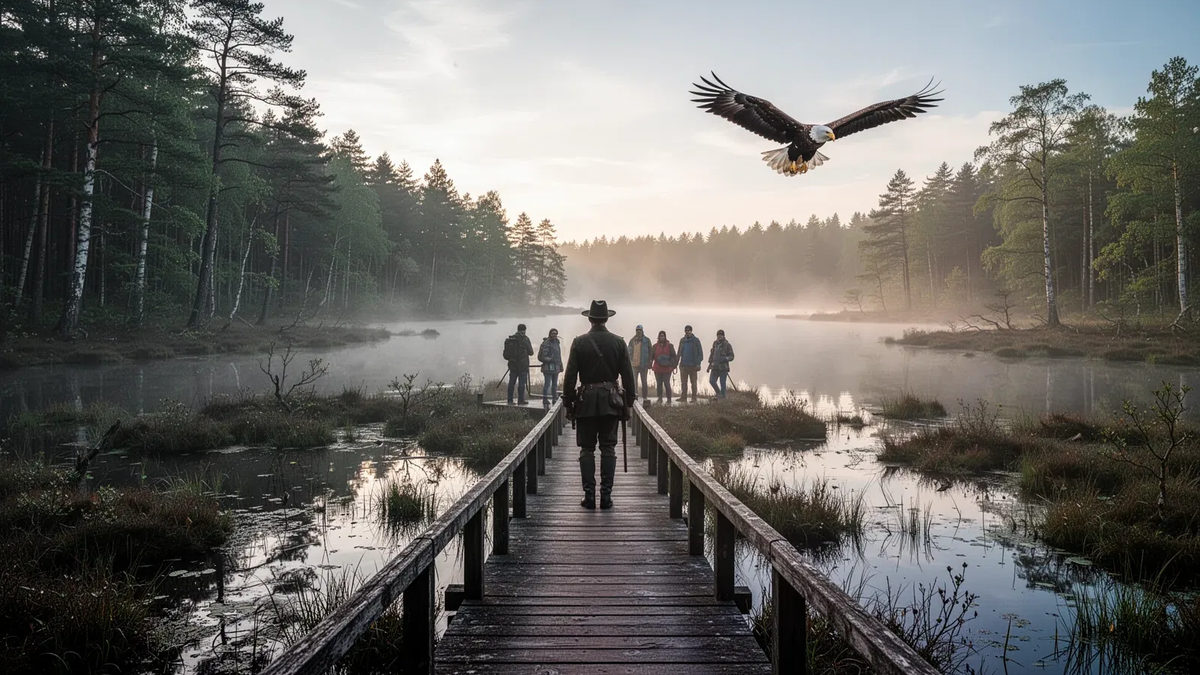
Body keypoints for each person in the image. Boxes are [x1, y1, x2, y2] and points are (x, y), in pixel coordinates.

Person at [563, 300, 635, 510]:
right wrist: (628, 403)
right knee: (608, 448)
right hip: (611, 403)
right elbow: (628, 376)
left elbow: (570, 377)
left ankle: (589, 497)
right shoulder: (619, 343)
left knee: (586, 449)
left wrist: (568, 403)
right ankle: (606, 498)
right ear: (606, 319)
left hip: (585, 403)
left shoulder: (579, 342)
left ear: (590, 319)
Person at [504, 323, 534, 405]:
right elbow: (531, 352)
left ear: (517, 329)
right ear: (524, 330)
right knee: (521, 384)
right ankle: (521, 400)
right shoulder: (525, 339)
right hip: (523, 366)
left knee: (511, 384)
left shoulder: (510, 339)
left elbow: (506, 355)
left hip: (513, 365)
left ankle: (509, 400)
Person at [677, 325, 704, 403]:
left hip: (693, 366)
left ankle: (694, 398)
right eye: (686, 330)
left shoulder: (696, 340)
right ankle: (683, 397)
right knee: (683, 383)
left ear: (691, 331)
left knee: (693, 383)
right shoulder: (682, 340)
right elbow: (679, 352)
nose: (687, 332)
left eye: (688, 330)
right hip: (683, 365)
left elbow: (700, 354)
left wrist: (698, 363)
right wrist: (676, 362)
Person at [537, 328, 563, 406]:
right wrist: (550, 359)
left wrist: (561, 365)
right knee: (547, 384)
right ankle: (545, 399)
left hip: (556, 366)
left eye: (555, 333)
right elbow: (543, 356)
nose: (554, 335)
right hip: (548, 367)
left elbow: (559, 356)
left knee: (555, 384)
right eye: (553, 333)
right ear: (550, 334)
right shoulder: (546, 343)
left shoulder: (557, 343)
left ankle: (554, 398)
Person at [650, 330, 677, 403]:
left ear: (665, 337)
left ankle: (669, 399)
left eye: (663, 336)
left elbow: (674, 356)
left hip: (667, 369)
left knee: (666, 383)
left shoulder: (670, 346)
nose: (662, 337)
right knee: (659, 384)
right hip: (657, 368)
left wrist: (674, 366)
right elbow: (651, 356)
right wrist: (649, 364)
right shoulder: (655, 346)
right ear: (658, 337)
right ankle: (660, 398)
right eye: (660, 336)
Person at [707, 329, 735, 400]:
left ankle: (723, 398)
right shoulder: (715, 344)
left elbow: (732, 356)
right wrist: (709, 365)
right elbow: (712, 354)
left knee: (723, 384)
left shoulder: (727, 345)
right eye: (718, 335)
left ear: (723, 336)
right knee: (712, 381)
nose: (719, 337)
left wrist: (725, 358)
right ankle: (719, 393)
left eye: (721, 335)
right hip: (714, 367)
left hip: (723, 368)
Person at [627, 325, 651, 400]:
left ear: (642, 331)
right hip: (634, 365)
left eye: (640, 330)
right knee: (634, 382)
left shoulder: (647, 340)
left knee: (644, 382)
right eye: (637, 330)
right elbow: (628, 352)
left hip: (644, 365)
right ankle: (635, 396)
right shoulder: (632, 340)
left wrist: (650, 362)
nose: (638, 332)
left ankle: (645, 397)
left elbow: (651, 351)